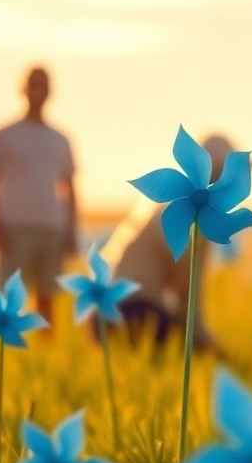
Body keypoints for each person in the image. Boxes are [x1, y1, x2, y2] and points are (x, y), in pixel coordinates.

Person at [100, 133, 240, 352]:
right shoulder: (197, 221)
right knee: (179, 346)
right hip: (135, 313)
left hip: (102, 313)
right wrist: (215, 352)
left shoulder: (166, 201)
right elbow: (187, 300)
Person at [0, 65, 78, 324]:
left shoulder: (60, 138)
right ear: (24, 89)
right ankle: (8, 355)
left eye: (43, 85)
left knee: (47, 299)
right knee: (8, 301)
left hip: (52, 228)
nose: (38, 90)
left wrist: (71, 231)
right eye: (33, 84)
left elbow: (70, 188)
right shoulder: (4, 135)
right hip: (15, 227)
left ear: (50, 91)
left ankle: (43, 355)